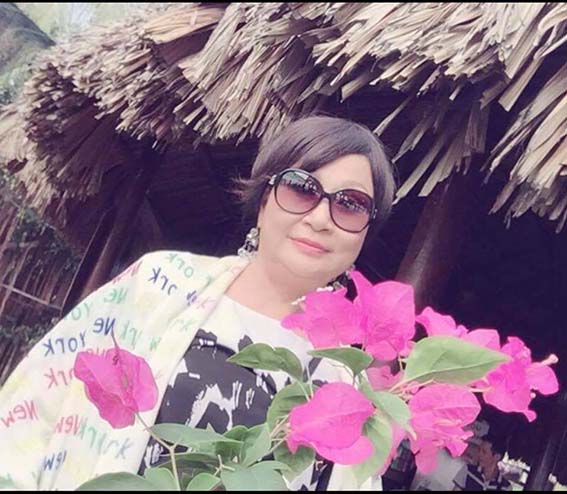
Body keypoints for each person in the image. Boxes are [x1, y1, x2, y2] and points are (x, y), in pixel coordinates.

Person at [0, 115, 396, 490]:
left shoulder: (348, 385)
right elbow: (31, 408)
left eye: (351, 204)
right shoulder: (159, 283)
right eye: (301, 187)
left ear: (364, 234)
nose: (321, 218)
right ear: (263, 202)